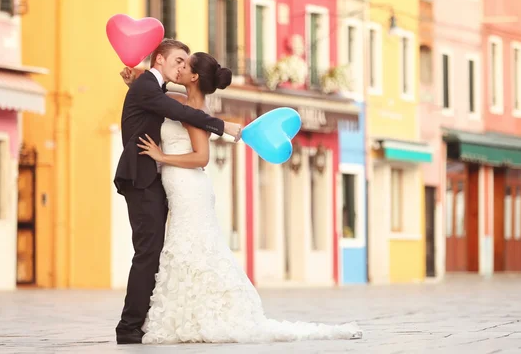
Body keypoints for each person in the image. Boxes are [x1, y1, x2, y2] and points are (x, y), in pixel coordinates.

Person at [134, 52, 363, 344]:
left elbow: (201, 156)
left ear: (194, 78)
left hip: (190, 187)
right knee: (190, 247)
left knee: (191, 247)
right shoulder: (185, 103)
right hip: (182, 187)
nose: (178, 67)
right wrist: (136, 81)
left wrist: (161, 156)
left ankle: (201, 313)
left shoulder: (193, 108)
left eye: (184, 64)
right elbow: (158, 97)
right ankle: (191, 311)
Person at [114, 39, 243, 345]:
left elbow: (175, 111)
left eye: (186, 63)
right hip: (145, 179)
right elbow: (167, 105)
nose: (183, 67)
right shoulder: (152, 88)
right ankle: (129, 326)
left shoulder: (157, 90)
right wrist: (223, 126)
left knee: (159, 252)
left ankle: (137, 322)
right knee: (150, 252)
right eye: (178, 61)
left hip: (171, 184)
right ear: (159, 59)